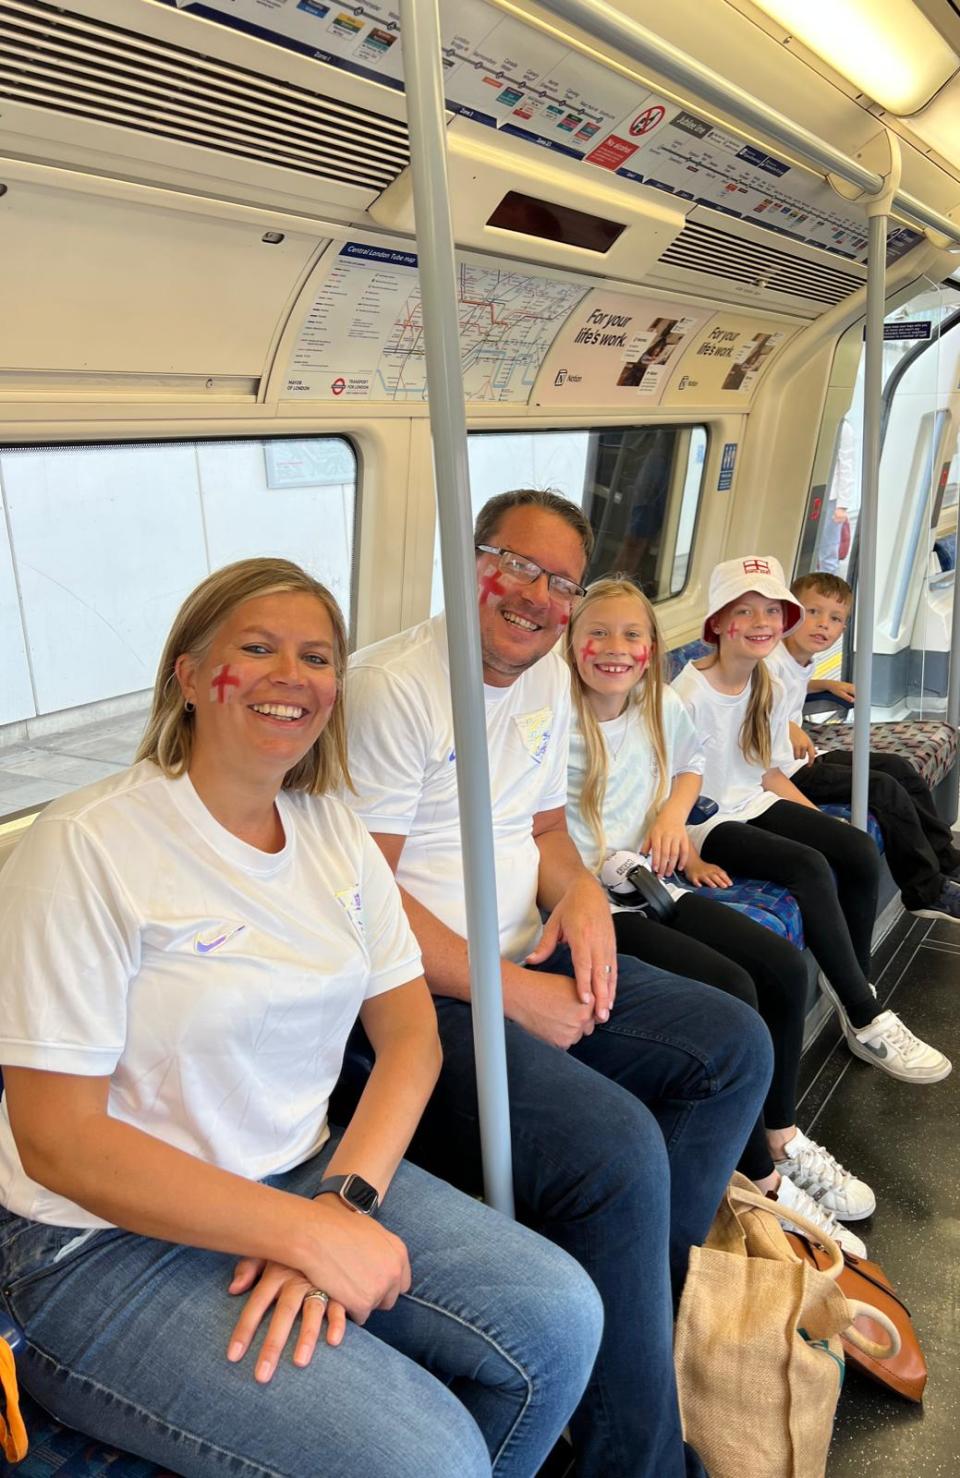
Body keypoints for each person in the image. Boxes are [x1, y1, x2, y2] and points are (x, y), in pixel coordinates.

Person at [0, 558, 603, 1478]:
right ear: (191, 676)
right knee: (432, 1460)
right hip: (97, 1238)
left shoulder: (330, 830)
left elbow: (409, 1039)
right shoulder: (87, 846)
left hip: (301, 1172)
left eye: (317, 657)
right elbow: (60, 1142)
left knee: (561, 1316)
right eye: (257, 649)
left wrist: (337, 1202)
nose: (293, 676)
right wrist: (298, 1237)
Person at [344, 489, 773, 1478]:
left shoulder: (540, 681)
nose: (536, 596)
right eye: (516, 565)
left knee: (732, 1044)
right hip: (416, 997)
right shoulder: (397, 688)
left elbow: (543, 835)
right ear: (469, 559)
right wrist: (505, 989)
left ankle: (635, 1324)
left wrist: (579, 896)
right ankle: (637, 1457)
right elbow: (364, 904)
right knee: (618, 1148)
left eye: (560, 581)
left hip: (519, 956)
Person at [564, 576, 872, 1254]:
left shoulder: (655, 706)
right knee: (732, 988)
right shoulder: (551, 717)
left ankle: (782, 1136)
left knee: (782, 969)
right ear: (571, 642)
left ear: (652, 648)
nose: (616, 649)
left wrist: (673, 816)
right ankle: (760, 1184)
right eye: (599, 633)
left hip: (649, 879)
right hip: (589, 901)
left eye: (633, 635)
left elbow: (691, 765)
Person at [672, 554, 951, 1087]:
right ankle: (865, 1016)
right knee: (810, 867)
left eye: (773, 613)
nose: (761, 624)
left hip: (754, 799)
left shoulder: (763, 684)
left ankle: (856, 988)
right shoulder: (684, 696)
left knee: (856, 850)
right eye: (746, 611)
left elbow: (769, 773)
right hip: (707, 820)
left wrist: (821, 820)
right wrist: (691, 854)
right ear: (717, 623)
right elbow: (668, 790)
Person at [769, 570, 960, 924]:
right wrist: (789, 726)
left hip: (805, 756)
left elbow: (791, 686)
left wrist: (819, 683)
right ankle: (925, 891)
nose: (823, 624)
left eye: (835, 618)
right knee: (884, 789)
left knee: (900, 769)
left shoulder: (796, 660)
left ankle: (946, 860)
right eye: (813, 612)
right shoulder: (767, 660)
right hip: (784, 769)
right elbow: (761, 702)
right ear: (790, 612)